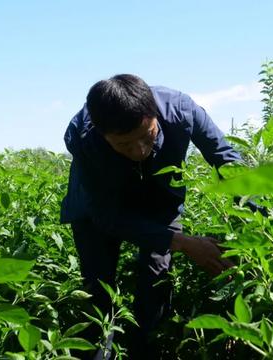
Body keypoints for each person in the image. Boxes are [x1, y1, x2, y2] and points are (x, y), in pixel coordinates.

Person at [60, 74, 248, 359]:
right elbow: (107, 216)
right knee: (98, 291)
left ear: (154, 115)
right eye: (124, 145)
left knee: (157, 282)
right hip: (97, 209)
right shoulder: (83, 136)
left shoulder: (181, 110)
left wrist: (262, 221)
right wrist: (184, 242)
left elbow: (226, 160)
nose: (139, 151)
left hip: (159, 200)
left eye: (147, 136)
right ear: (102, 134)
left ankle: (146, 351)